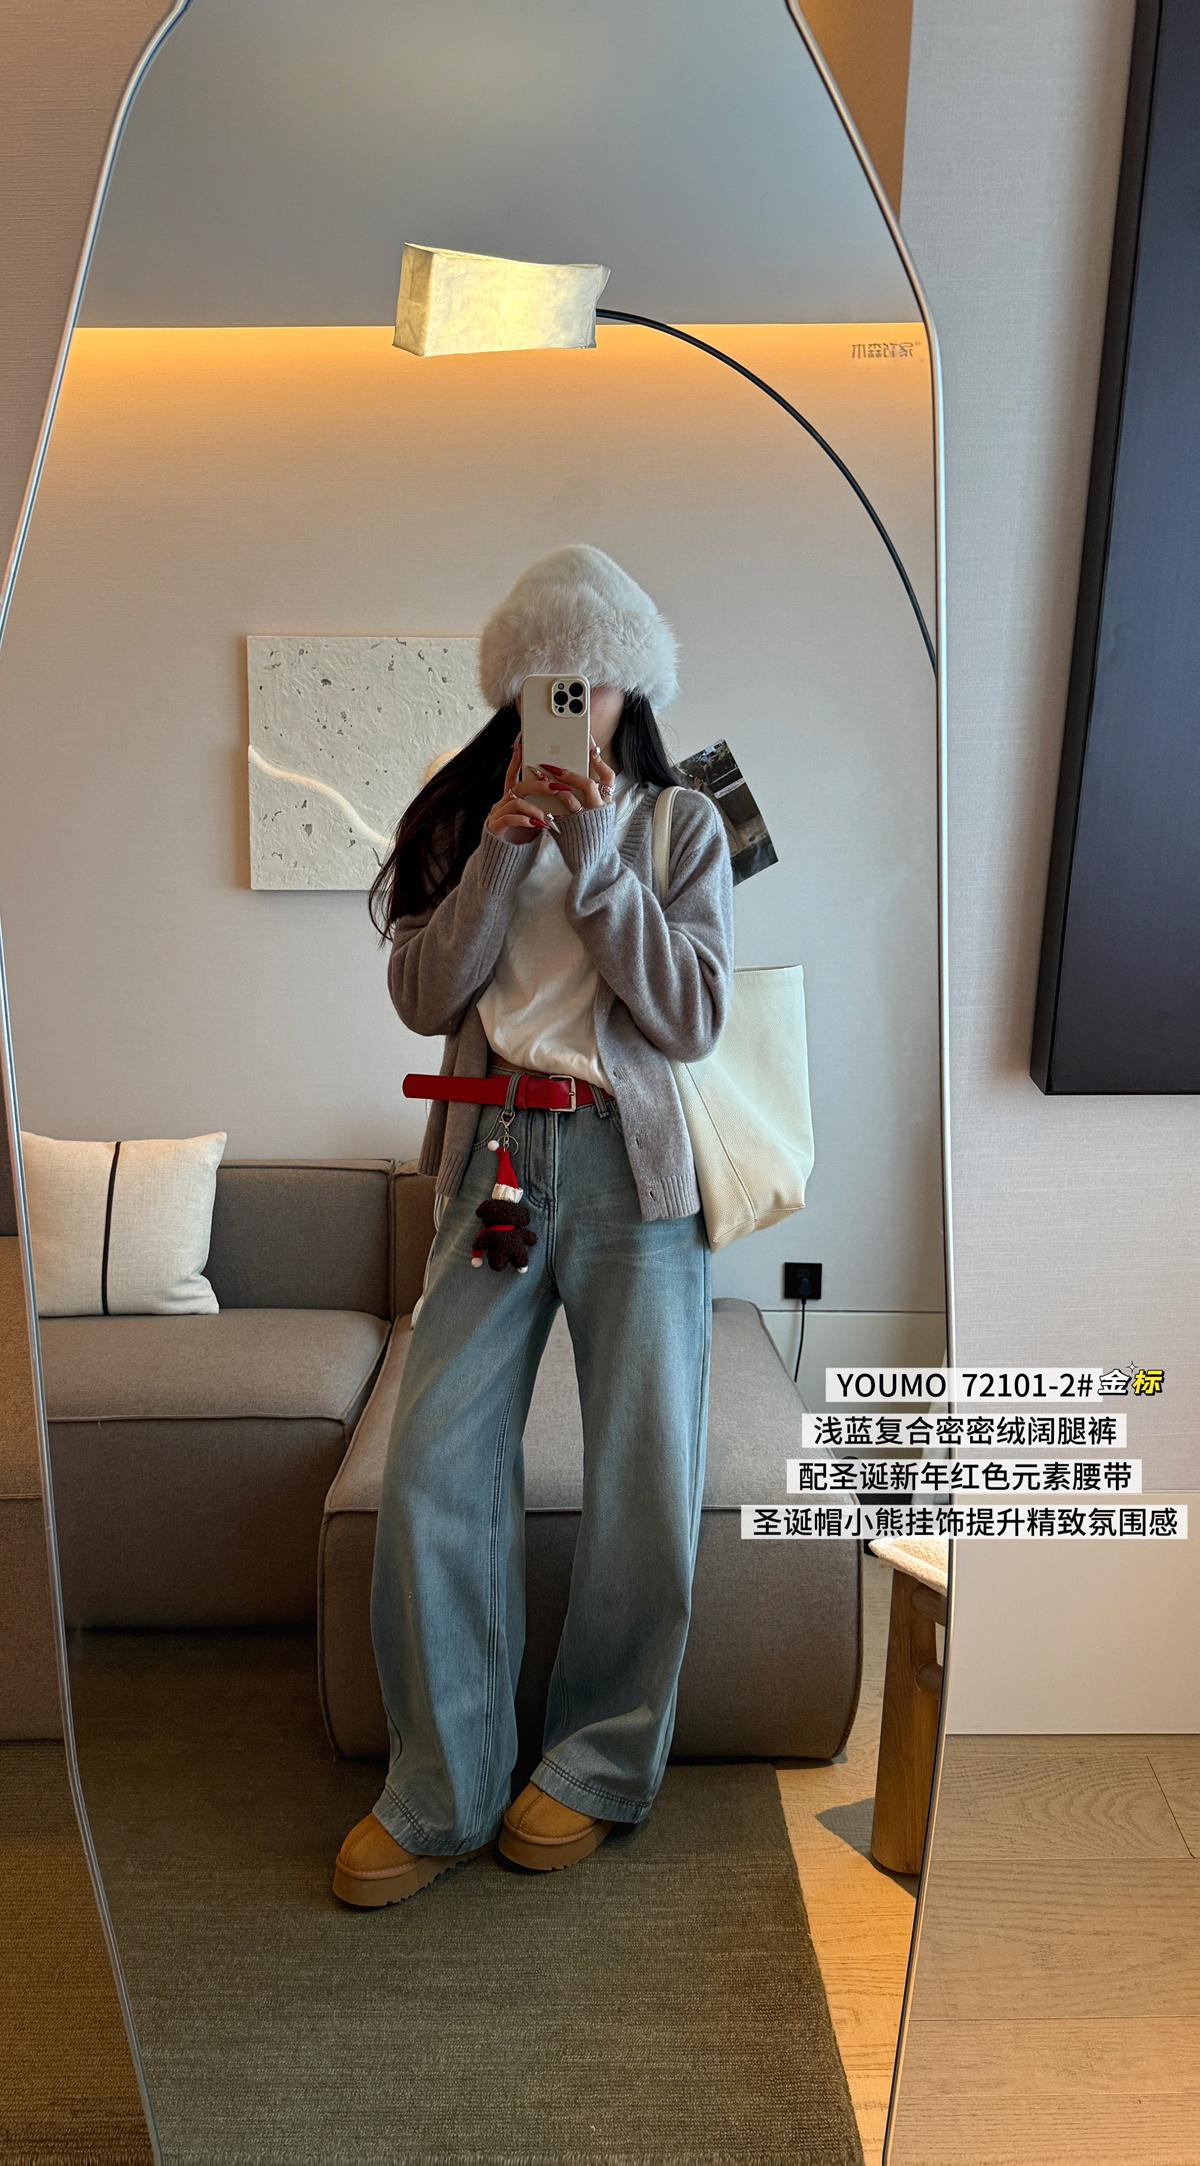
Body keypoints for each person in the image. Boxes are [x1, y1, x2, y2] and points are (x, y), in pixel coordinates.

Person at [333, 544, 735, 1908]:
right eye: (550, 678)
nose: (577, 698)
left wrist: (595, 859)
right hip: (498, 1162)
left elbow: (689, 1013)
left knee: (642, 1472)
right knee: (434, 1460)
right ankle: (444, 1784)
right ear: (515, 690)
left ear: (634, 686)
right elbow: (420, 992)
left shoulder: (683, 824)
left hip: (631, 1174)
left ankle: (600, 1764)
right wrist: (505, 852)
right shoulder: (469, 818)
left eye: (597, 676)